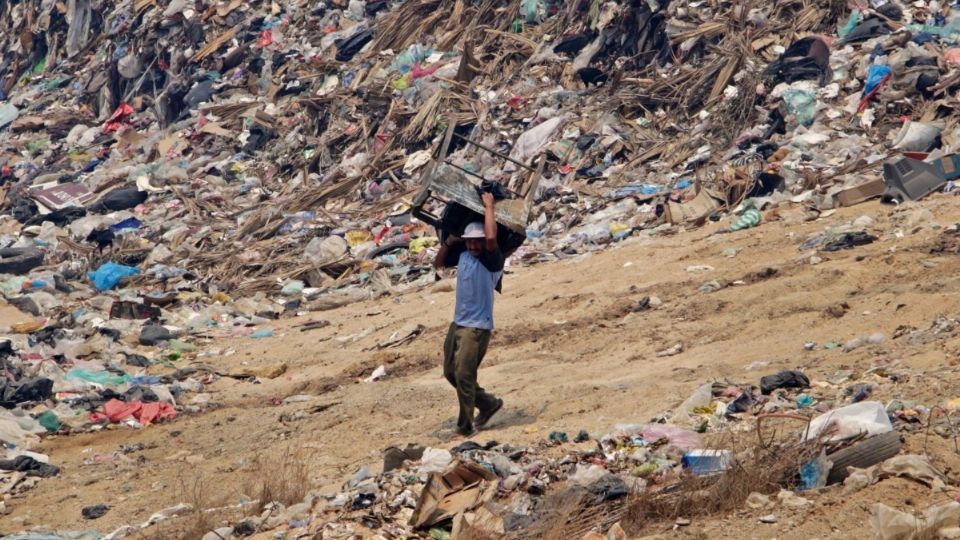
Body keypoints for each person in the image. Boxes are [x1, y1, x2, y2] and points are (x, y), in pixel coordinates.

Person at [434, 192, 505, 436]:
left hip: (477, 327)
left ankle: (465, 427)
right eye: (470, 241)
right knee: (450, 373)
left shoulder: (492, 261)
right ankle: (488, 404)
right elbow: (439, 265)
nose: (474, 245)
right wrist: (449, 242)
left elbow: (492, 237)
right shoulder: (464, 255)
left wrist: (488, 206)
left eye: (478, 241)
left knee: (464, 374)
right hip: (458, 324)